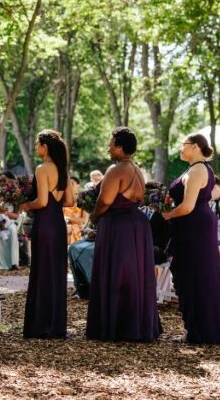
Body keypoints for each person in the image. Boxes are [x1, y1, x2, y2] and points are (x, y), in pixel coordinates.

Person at [162, 133, 220, 344]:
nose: (181, 148)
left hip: (194, 226)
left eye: (184, 144)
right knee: (196, 274)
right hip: (193, 224)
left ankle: (202, 330)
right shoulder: (195, 168)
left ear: (196, 147)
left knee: (195, 275)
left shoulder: (198, 169)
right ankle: (202, 327)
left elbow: (188, 206)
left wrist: (166, 215)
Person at [86, 127, 161, 342]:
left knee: (118, 272)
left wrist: (94, 215)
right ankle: (137, 323)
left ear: (119, 147)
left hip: (119, 225)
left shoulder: (116, 170)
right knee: (135, 273)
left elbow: (105, 201)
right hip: (138, 224)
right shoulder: (138, 170)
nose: (108, 148)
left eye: (111, 144)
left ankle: (118, 325)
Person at [18, 130, 75, 338]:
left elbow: (41, 201)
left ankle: (41, 325)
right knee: (56, 272)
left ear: (45, 146)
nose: (36, 148)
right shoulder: (63, 171)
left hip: (44, 224)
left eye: (37, 144)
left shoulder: (42, 169)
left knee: (42, 271)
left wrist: (25, 204)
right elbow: (69, 202)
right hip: (58, 224)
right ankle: (56, 324)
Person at [64, 175, 86, 245]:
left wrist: (67, 218)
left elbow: (83, 220)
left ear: (78, 185)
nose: (69, 186)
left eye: (72, 183)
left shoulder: (82, 200)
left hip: (77, 228)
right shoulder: (61, 199)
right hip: (62, 226)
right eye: (67, 184)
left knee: (68, 228)